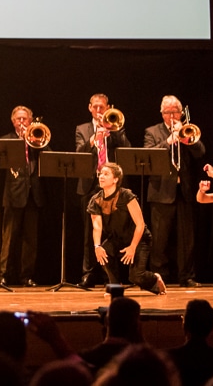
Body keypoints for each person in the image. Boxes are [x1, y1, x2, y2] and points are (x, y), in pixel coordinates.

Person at [144, 95, 205, 288]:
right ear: (161, 113)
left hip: (184, 191)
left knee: (187, 239)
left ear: (181, 113)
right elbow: (149, 155)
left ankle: (186, 276)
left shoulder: (187, 129)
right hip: (161, 191)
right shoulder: (152, 132)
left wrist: (186, 139)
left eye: (175, 112)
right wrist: (169, 140)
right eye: (168, 112)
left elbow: (200, 152)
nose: (171, 116)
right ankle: (159, 277)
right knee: (159, 239)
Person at [75, 93, 131, 289]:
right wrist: (93, 139)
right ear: (90, 107)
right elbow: (78, 154)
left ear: (108, 108)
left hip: (112, 186)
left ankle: (111, 276)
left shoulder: (115, 126)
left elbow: (127, 148)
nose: (99, 110)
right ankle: (88, 274)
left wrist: (113, 131)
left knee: (112, 232)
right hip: (90, 185)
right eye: (95, 107)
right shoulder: (82, 129)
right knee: (89, 233)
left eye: (102, 107)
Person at [88, 162, 166, 295]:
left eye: (106, 174)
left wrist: (133, 247)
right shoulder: (96, 200)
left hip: (139, 239)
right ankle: (115, 286)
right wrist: (97, 246)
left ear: (115, 179)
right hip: (117, 238)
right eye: (101, 174)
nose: (101, 176)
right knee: (104, 252)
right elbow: (97, 226)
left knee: (136, 276)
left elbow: (140, 224)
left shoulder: (126, 195)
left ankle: (155, 279)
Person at [0, 105, 46, 287]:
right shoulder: (6, 140)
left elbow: (48, 156)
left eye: (24, 119)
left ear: (30, 121)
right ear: (13, 122)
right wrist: (20, 141)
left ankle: (26, 276)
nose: (21, 122)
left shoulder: (37, 139)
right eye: (18, 119)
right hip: (13, 194)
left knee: (30, 240)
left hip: (33, 195)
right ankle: (4, 275)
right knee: (9, 239)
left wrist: (36, 142)